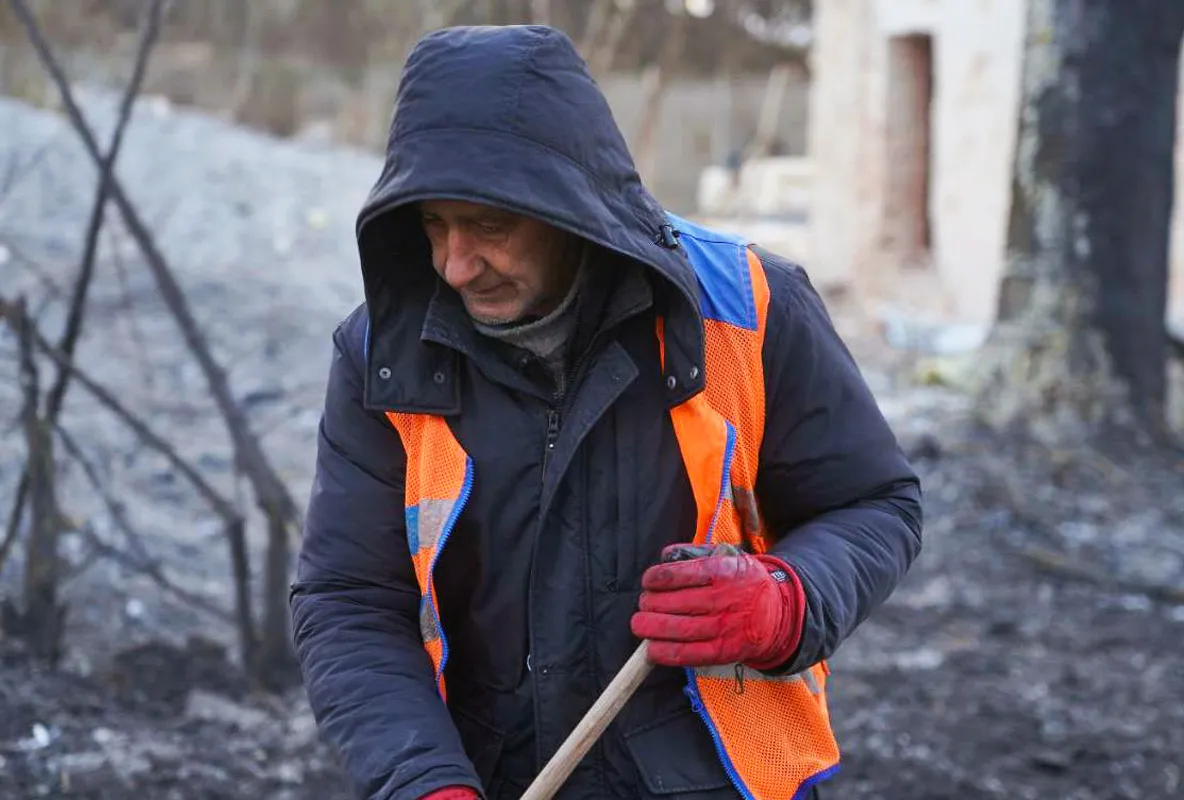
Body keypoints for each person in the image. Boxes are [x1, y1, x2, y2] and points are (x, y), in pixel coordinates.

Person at [290, 23, 923, 800]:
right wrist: (421, 782)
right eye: (432, 225)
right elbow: (350, 601)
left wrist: (786, 601)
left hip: (716, 782)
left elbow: (875, 504)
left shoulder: (751, 309)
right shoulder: (383, 358)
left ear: (569, 208)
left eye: (490, 225)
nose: (456, 264)